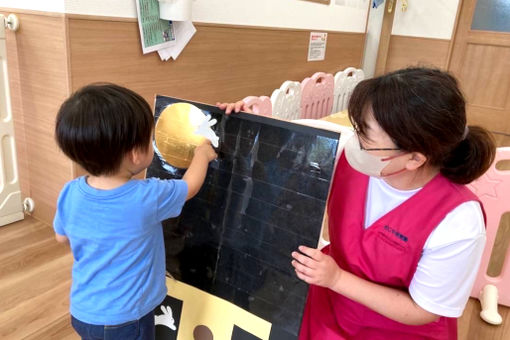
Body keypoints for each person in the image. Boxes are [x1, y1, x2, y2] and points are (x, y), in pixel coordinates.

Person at [219, 67, 496, 339]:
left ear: (414, 158)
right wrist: (252, 118)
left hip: (396, 330)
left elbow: (423, 310)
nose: (355, 142)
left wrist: (338, 279)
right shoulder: (355, 155)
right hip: (330, 310)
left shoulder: (458, 221)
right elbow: (299, 135)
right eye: (357, 129)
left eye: (365, 137)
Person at [54, 83, 217, 340]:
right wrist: (202, 155)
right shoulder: (146, 197)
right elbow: (190, 186)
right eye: (149, 140)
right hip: (127, 320)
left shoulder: (70, 192)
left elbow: (62, 237)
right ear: (135, 154)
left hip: (84, 312)